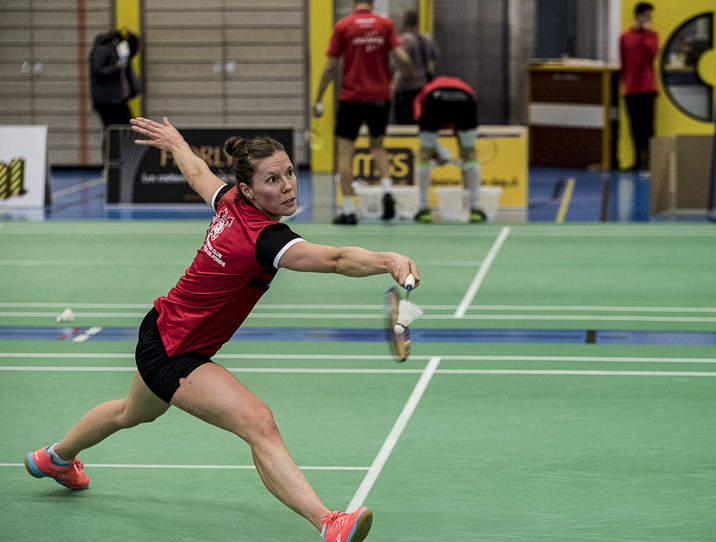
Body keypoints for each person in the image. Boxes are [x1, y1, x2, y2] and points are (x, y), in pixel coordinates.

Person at [24, 116, 420, 542]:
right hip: (176, 351)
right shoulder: (264, 239)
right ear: (249, 190)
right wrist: (386, 259)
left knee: (129, 412)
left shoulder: (230, 200)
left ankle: (55, 458)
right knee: (258, 422)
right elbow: (337, 260)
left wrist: (176, 141)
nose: (287, 185)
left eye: (289, 172)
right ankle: (329, 522)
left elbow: (197, 172)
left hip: (161, 330)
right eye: (273, 179)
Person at [312, 0, 413, 225]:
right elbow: (404, 59)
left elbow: (330, 67)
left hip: (352, 97)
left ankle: (348, 210)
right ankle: (387, 193)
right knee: (378, 146)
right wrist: (399, 78)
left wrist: (318, 98)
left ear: (353, 3)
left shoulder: (343, 26)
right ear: (372, 3)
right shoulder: (385, 24)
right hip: (380, 96)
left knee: (345, 152)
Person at [411, 75, 485, 223]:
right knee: (470, 152)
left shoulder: (423, 93)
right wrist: (440, 152)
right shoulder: (465, 88)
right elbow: (463, 144)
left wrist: (435, 151)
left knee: (424, 153)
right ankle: (475, 208)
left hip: (435, 98)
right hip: (465, 97)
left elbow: (422, 126)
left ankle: (423, 208)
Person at [619, 2, 659, 171]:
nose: (648, 19)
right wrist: (624, 83)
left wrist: (645, 33)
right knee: (634, 126)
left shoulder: (652, 36)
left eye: (649, 17)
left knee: (648, 126)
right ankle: (637, 160)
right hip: (631, 88)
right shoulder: (625, 37)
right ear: (638, 16)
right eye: (646, 16)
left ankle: (649, 161)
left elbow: (652, 54)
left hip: (647, 87)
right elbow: (624, 61)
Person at [393, 9, 438, 125]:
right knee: (420, 118)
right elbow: (434, 56)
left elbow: (401, 64)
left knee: (405, 122)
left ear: (404, 22)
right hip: (423, 85)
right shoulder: (425, 39)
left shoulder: (404, 39)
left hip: (408, 86)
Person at [89, 29, 141, 131]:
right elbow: (98, 70)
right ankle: (112, 147)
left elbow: (131, 52)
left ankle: (117, 147)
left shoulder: (117, 50)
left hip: (118, 98)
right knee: (114, 130)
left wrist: (132, 39)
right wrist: (116, 67)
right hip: (107, 100)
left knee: (123, 129)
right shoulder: (102, 49)